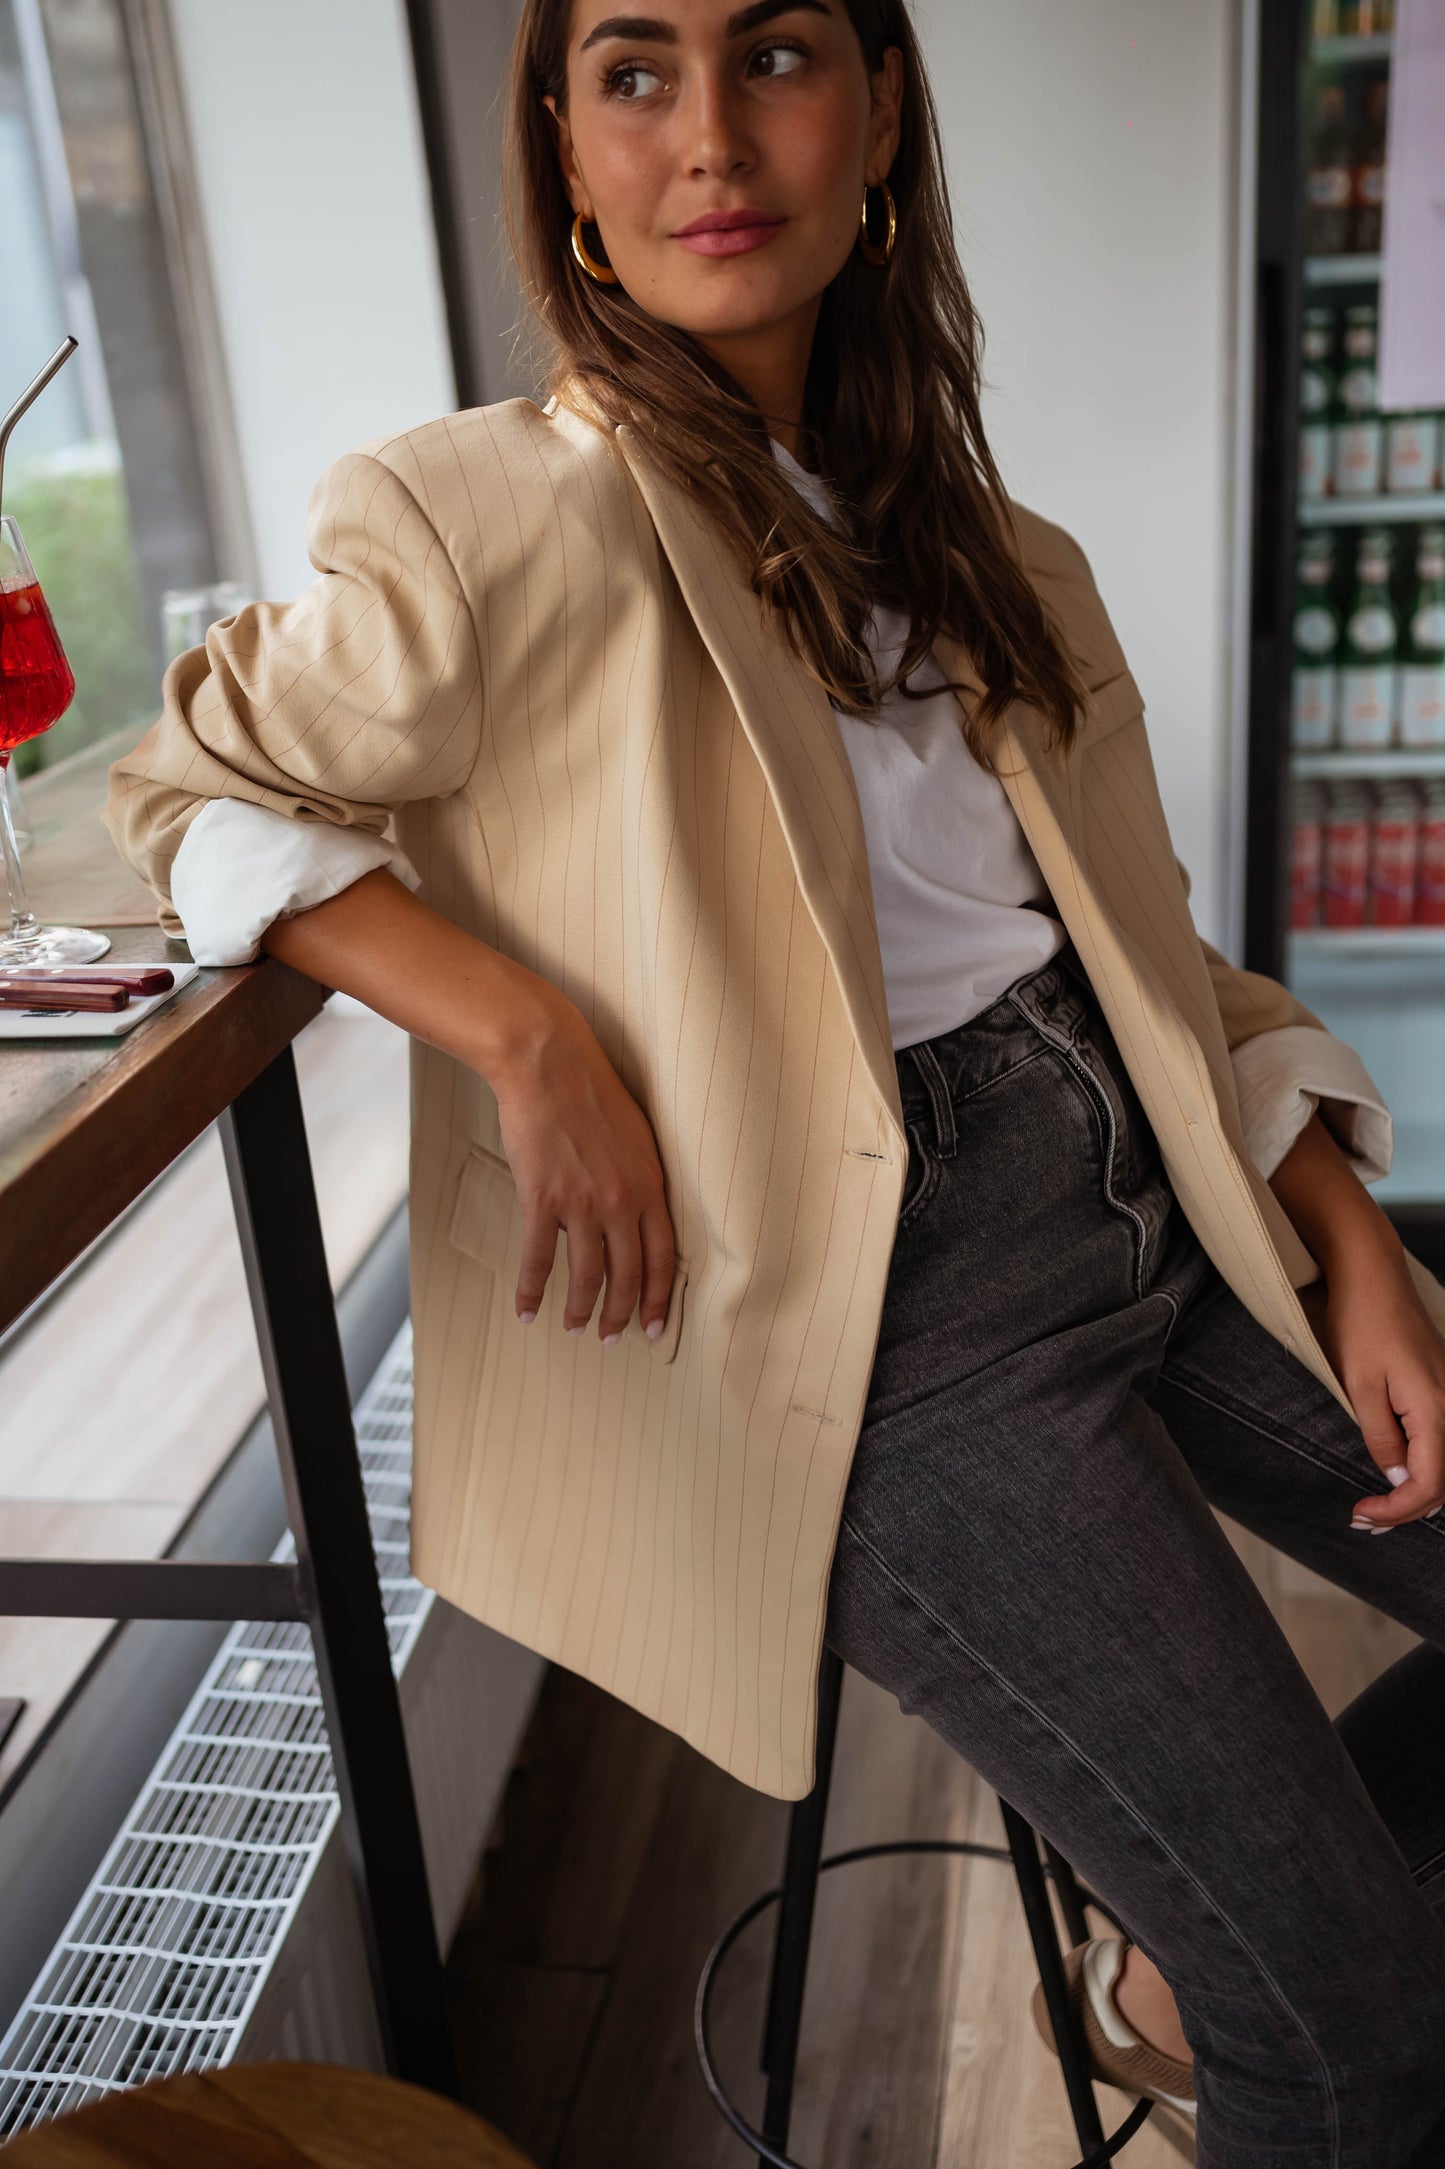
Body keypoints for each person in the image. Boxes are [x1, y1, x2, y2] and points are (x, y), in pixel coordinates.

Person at [106, 1, 1445, 2158]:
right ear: (560, 147)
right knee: (1366, 2031)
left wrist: (1356, 1243)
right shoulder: (477, 516)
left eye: (779, 56)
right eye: (633, 71)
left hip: (1152, 1189)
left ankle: (1216, 1944)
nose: (712, 135)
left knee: (1323, 1949)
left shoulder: (1002, 556)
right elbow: (177, 787)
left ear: (882, 107)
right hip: (888, 1331)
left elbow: (1157, 965)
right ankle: (1286, 1967)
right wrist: (518, 1027)